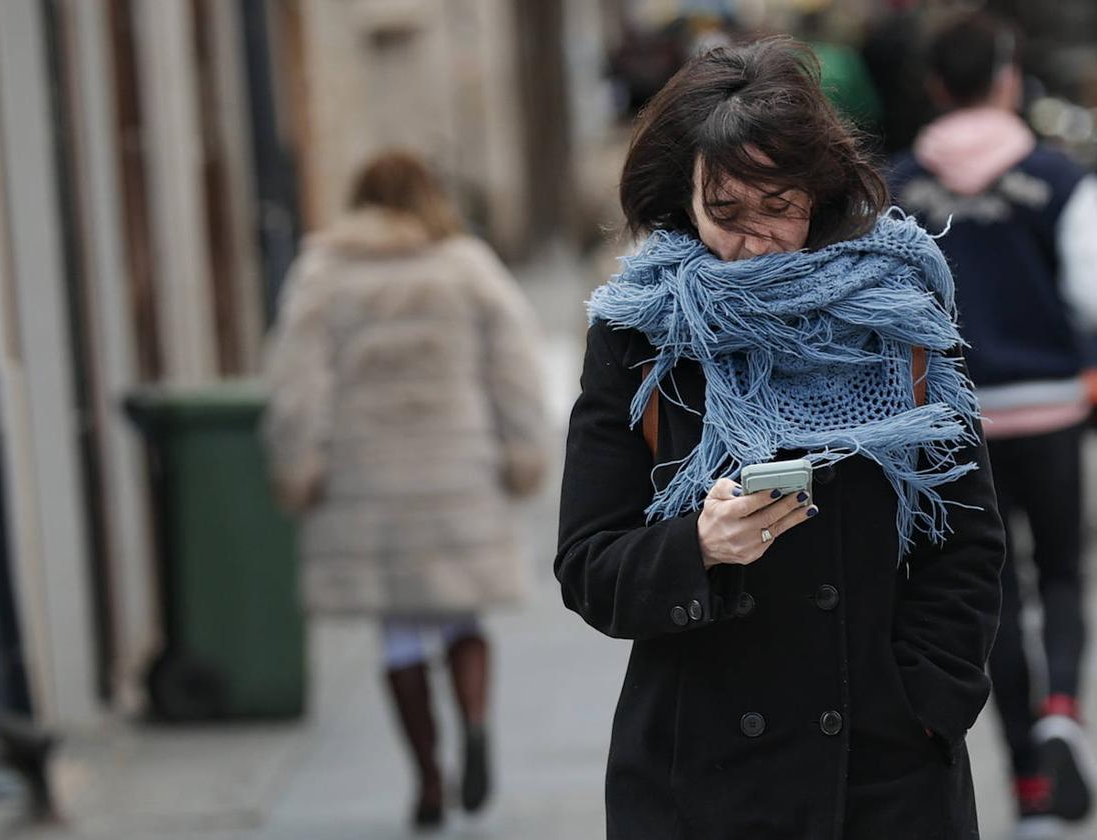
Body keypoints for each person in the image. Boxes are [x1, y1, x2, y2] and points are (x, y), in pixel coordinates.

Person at [556, 36, 1004, 839]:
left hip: (881, 777)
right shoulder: (638, 335)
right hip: (702, 777)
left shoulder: (898, 319)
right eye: (725, 212)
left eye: (779, 206)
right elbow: (589, 564)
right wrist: (697, 547)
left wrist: (927, 706)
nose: (754, 238)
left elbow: (966, 542)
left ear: (820, 193)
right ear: (683, 200)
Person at [263, 150, 549, 831]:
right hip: (457, 466)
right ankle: (475, 722)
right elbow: (515, 362)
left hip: (369, 478)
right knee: (460, 616)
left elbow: (298, 381)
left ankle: (427, 778)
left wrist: (298, 461)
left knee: (398, 634)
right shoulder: (465, 266)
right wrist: (522, 449)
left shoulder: (324, 273)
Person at [889, 11, 1097, 837]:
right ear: (1009, 78)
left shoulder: (897, 184)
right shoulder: (1061, 177)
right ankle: (1061, 713)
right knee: (1064, 574)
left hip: (950, 417)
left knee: (995, 593)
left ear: (937, 85)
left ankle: (1031, 792)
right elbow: (1088, 293)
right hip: (1049, 407)